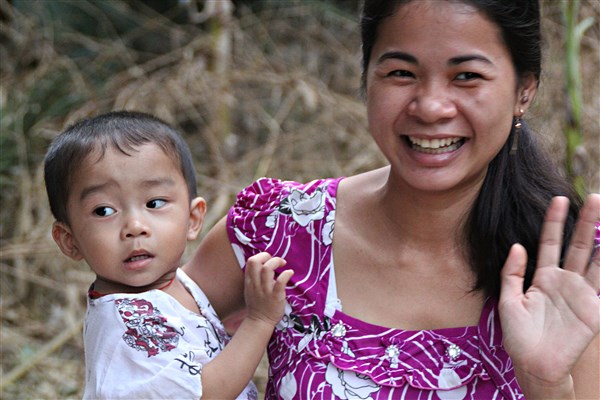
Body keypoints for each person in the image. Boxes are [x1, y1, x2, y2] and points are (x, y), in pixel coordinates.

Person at [183, 0, 600, 399]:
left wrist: (548, 388)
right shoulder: (280, 231)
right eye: (402, 73)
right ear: (367, 78)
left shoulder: (576, 270)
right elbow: (146, 349)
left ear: (524, 90)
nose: (431, 107)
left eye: (467, 76)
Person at [44, 111, 293, 399]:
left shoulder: (172, 287)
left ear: (193, 219)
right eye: (104, 210)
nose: (134, 226)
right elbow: (205, 394)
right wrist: (260, 320)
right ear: (70, 240)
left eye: (154, 203)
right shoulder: (129, 322)